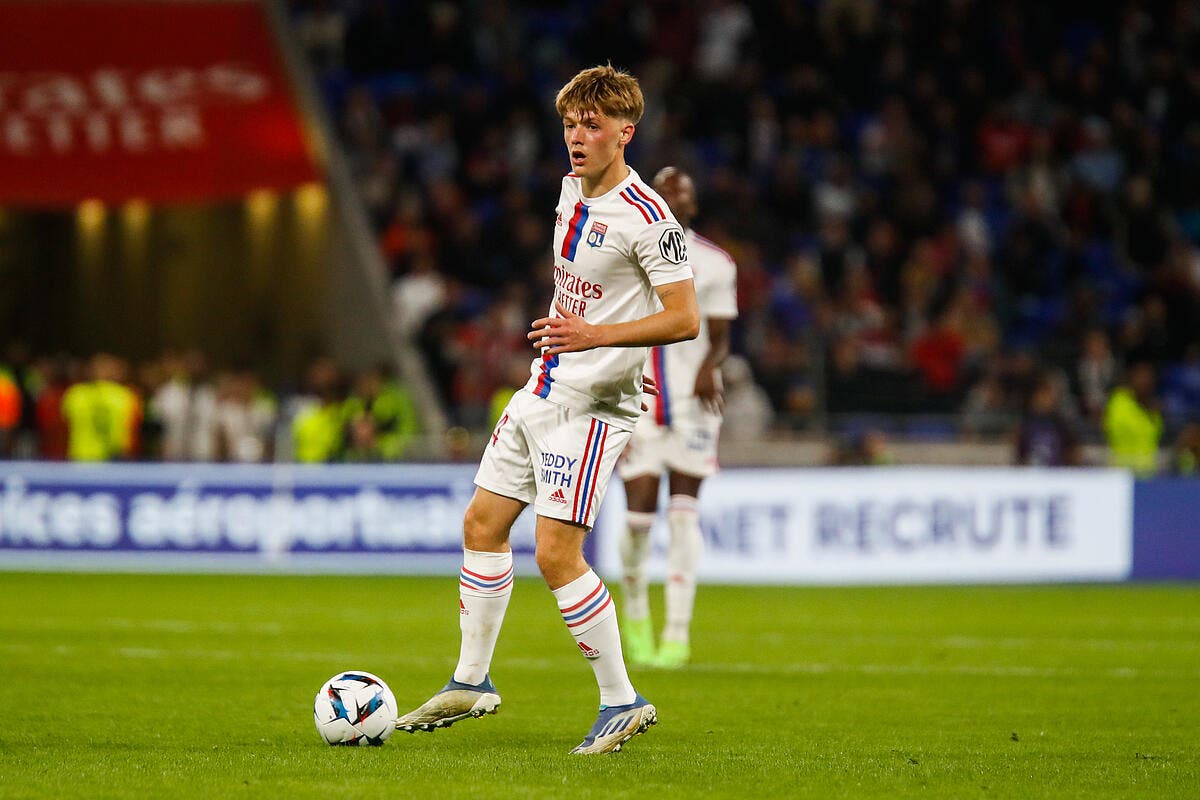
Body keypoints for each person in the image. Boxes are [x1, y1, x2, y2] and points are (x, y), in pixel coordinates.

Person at [394, 64, 699, 755]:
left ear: (627, 131)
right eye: (570, 124)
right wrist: (571, 326)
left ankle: (622, 700)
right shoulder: (570, 190)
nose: (577, 137)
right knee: (481, 521)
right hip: (545, 384)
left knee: (557, 553)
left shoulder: (650, 219)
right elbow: (586, 290)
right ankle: (472, 681)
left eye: (592, 125)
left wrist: (595, 336)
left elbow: (684, 320)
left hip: (595, 404)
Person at [615, 166, 738, 669]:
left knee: (684, 514)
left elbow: (721, 334)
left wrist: (711, 365)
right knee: (639, 516)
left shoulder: (715, 263)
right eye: (662, 189)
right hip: (637, 400)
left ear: (692, 203)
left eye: (680, 190)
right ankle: (637, 612)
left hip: (692, 402)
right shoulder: (626, 254)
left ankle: (678, 632)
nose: (672, 196)